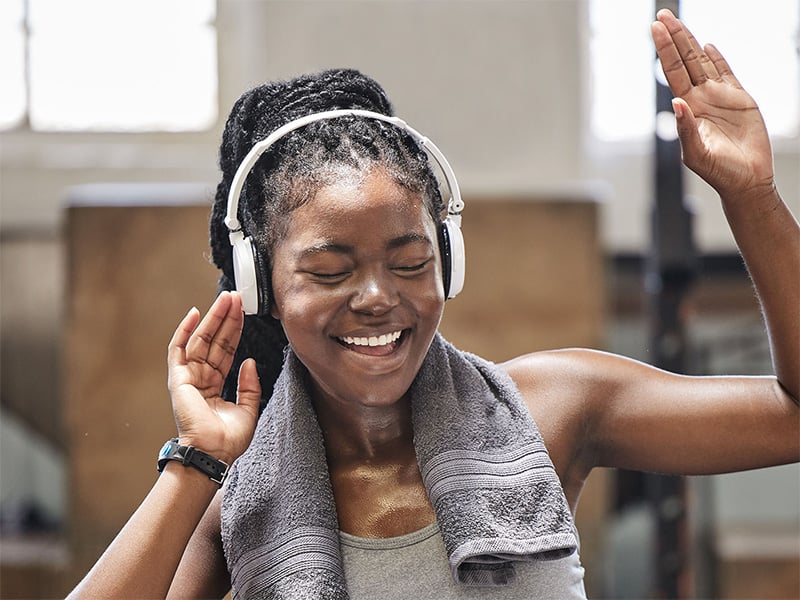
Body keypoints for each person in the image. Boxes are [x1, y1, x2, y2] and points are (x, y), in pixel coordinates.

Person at [68, 9, 798, 599]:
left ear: (446, 262)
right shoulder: (242, 504)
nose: (379, 298)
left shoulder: (556, 406)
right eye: (328, 270)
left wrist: (754, 200)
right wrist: (195, 462)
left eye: (410, 262)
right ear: (263, 287)